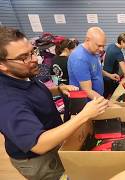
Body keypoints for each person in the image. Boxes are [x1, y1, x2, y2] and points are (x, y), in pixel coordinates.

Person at [0, 26, 109, 179]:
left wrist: (58, 89)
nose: (35, 59)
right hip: (39, 159)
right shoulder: (6, 100)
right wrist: (84, 115)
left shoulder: (21, 71)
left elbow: (30, 94)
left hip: (54, 142)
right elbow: (39, 144)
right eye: (24, 57)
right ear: (2, 64)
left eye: (33, 52)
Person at [68, 27, 120, 99]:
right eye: (99, 45)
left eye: (103, 46)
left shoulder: (94, 51)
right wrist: (107, 103)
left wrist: (109, 75)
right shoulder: (79, 58)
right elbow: (87, 90)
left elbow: (95, 69)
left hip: (96, 98)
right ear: (87, 40)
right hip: (86, 103)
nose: (102, 49)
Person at [103, 32, 125, 98]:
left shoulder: (111, 45)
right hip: (111, 77)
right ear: (122, 42)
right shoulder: (118, 52)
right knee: (114, 97)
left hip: (104, 74)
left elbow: (104, 58)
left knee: (105, 95)